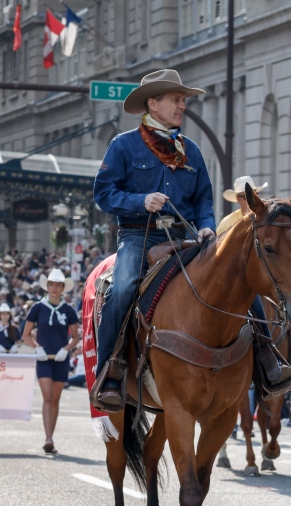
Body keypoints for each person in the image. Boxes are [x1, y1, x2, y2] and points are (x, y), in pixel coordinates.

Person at [91, 69, 215, 410]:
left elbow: (204, 199)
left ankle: (269, 359)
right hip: (138, 236)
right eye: (176, 100)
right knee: (123, 290)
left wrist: (207, 227)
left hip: (185, 237)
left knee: (234, 274)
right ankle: (111, 372)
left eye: (183, 100)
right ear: (153, 103)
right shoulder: (123, 145)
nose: (182, 106)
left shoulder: (190, 150)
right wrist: (139, 201)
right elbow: (103, 194)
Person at [23, 269, 81, 454]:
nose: (54, 288)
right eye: (51, 284)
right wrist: (36, 347)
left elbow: (75, 337)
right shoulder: (37, 308)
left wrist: (66, 350)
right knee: (47, 396)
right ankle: (47, 438)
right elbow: (25, 335)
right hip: (44, 359)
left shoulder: (69, 309)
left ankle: (51, 437)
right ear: (47, 286)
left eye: (58, 285)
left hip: (61, 360)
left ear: (63, 288)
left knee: (55, 399)